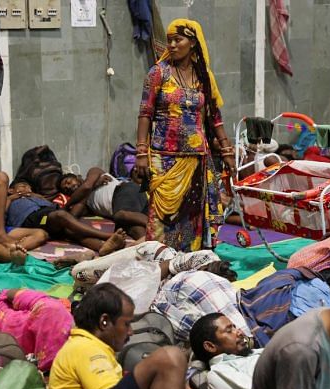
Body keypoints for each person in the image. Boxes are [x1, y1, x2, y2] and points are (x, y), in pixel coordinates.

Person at [134, 18, 234, 252]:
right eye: (169, 41)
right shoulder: (158, 73)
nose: (172, 45)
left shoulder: (204, 77)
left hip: (196, 158)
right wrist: (141, 152)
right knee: (161, 218)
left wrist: (227, 149)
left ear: (193, 42)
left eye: (178, 40)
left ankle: (187, 263)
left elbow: (214, 116)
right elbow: (145, 113)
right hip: (163, 158)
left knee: (192, 218)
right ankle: (157, 262)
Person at [48, 283, 187, 389]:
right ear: (104, 321)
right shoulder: (85, 349)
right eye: (126, 324)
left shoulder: (83, 345)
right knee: (169, 357)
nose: (131, 332)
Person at [70, 240, 230, 287]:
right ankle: (86, 256)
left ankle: (107, 255)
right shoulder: (203, 258)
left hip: (150, 282)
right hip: (146, 259)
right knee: (79, 274)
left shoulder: (215, 286)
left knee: (90, 290)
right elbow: (158, 271)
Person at [59, 168, 147, 241]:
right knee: (131, 228)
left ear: (77, 177)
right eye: (66, 190)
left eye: (68, 182)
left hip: (124, 191)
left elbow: (87, 186)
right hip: (125, 209)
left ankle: (156, 224)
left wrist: (66, 206)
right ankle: (151, 245)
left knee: (120, 215)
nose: (69, 187)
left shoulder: (94, 172)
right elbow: (72, 216)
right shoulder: (83, 200)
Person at [188, 313, 258, 389]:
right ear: (210, 346)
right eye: (229, 331)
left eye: (234, 327)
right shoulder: (219, 372)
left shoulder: (252, 353)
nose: (240, 332)